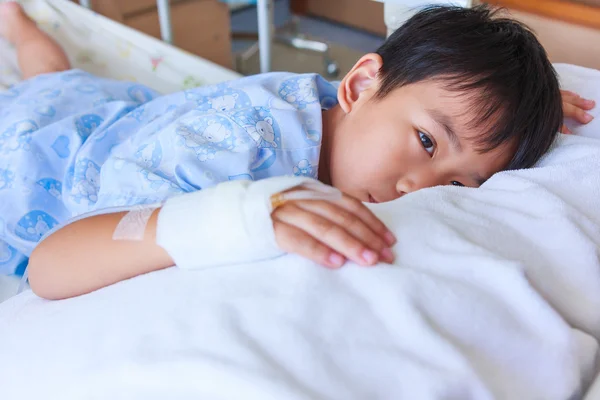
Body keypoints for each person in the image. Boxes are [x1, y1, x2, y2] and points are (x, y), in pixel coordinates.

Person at [0, 2, 593, 299]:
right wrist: (240, 218)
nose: (423, 188)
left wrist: (513, 111)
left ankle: (24, 33)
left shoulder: (354, 114)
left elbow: (436, 111)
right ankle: (21, 26)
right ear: (360, 85)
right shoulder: (236, 147)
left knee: (55, 79)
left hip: (116, 115)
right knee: (40, 89)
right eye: (426, 141)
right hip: (29, 158)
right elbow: (53, 265)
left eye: (462, 183)